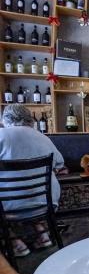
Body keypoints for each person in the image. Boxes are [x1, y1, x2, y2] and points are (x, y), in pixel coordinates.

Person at [0, 104, 65, 257]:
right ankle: (43, 236)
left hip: (9, 207)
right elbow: (60, 163)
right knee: (30, 192)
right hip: (47, 202)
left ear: (5, 119)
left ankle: (16, 243)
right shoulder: (42, 137)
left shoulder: (1, 135)